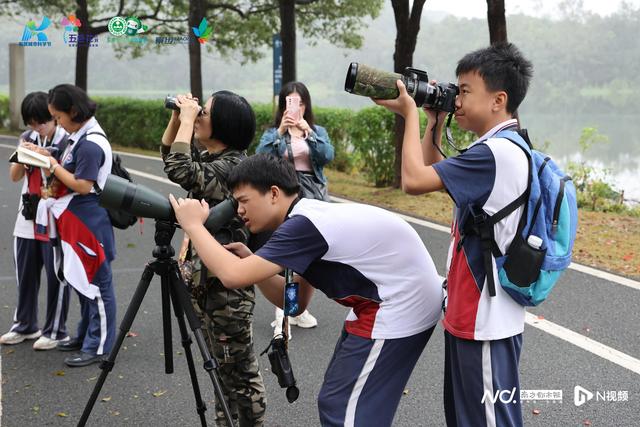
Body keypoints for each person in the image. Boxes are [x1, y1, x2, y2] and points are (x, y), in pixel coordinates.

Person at [168, 154, 443, 427]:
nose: (239, 211)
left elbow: (231, 276)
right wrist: (252, 263)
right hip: (384, 302)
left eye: (243, 201)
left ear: (274, 193)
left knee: (343, 409)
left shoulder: (303, 226)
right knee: (345, 403)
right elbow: (294, 303)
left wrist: (193, 225)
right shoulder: (304, 216)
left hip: (398, 305)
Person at [375, 43, 534, 427]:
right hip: (473, 312)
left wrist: (409, 114)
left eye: (464, 91)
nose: (456, 99)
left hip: (486, 322)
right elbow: (435, 170)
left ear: (499, 100)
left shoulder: (496, 154)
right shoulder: (494, 148)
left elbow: (412, 181)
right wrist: (434, 122)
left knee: (488, 421)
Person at [161, 91, 266, 426]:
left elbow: (179, 168)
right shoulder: (214, 161)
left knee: (240, 376)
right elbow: (171, 155)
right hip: (208, 286)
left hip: (227, 293)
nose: (199, 114)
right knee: (222, 373)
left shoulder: (234, 167)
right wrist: (179, 118)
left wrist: (188, 119)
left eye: (205, 111)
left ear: (223, 125)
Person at [23, 84, 117, 367]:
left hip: (87, 221)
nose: (58, 123)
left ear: (73, 112)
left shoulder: (89, 143)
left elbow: (83, 186)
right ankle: (84, 336)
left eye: (58, 117)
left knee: (97, 285)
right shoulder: (81, 136)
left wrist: (50, 165)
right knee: (81, 281)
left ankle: (99, 346)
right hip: (76, 219)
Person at [256, 81, 335, 337]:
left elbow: (327, 156)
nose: (296, 107)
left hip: (311, 197)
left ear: (306, 104)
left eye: (300, 102)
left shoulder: (316, 130)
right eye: (291, 102)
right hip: (284, 196)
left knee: (307, 254)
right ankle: (283, 312)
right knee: (285, 251)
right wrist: (281, 132)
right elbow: (260, 158)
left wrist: (308, 132)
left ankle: (297, 309)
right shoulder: (273, 133)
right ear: (283, 105)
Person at [1, 92, 70, 350]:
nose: (37, 127)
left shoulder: (66, 140)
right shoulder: (28, 137)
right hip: (28, 215)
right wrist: (23, 152)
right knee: (26, 274)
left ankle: (56, 330)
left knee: (56, 275)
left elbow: (67, 178)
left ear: (53, 117)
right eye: (31, 123)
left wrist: (45, 157)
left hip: (55, 216)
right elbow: (14, 176)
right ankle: (25, 324)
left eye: (41, 122)